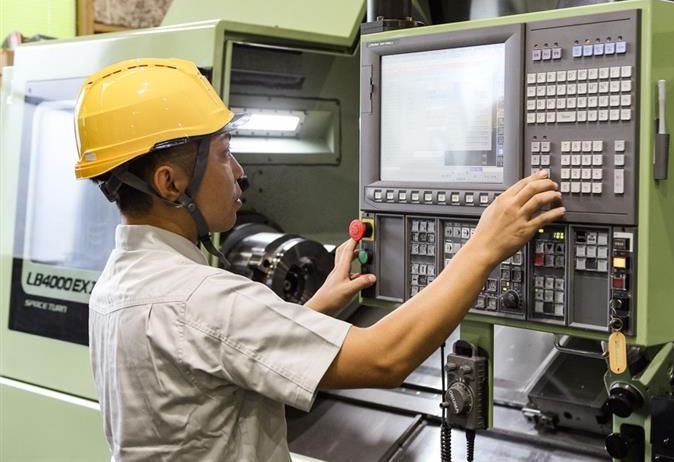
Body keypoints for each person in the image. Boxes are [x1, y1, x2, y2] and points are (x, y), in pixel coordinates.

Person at [75, 58, 565, 461]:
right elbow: (385, 360)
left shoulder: (118, 283)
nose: (239, 171)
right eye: (224, 154)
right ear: (170, 183)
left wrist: (315, 310)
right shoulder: (200, 298)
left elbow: (216, 358)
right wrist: (485, 245)